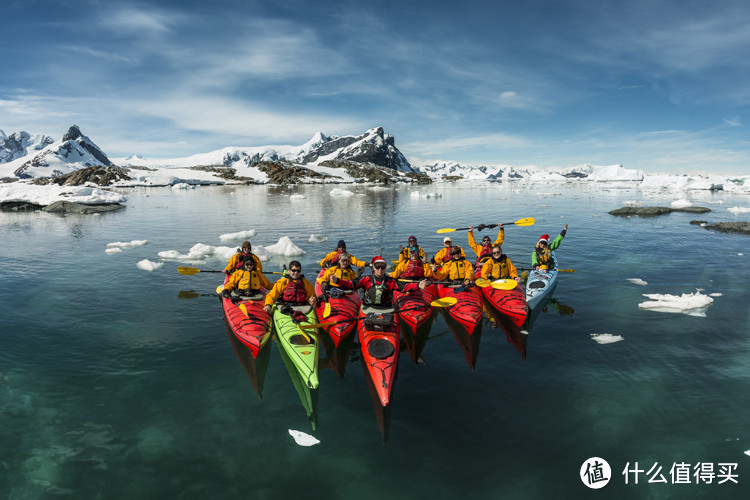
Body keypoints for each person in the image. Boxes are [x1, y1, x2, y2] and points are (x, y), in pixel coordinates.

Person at [337, 256, 402, 307]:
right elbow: (351, 284)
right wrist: (337, 280)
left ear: (385, 268)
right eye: (377, 266)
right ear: (373, 267)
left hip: (386, 307)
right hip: (368, 307)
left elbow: (404, 286)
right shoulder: (366, 279)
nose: (380, 269)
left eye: (382, 267)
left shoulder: (391, 281)